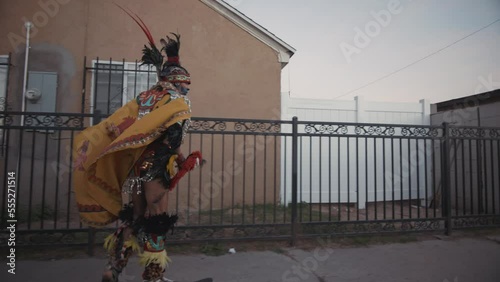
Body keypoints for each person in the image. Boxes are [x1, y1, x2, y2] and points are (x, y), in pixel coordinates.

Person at [73, 8, 201, 282]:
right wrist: (179, 157)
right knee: (156, 218)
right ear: (178, 81)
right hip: (155, 169)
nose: (188, 88)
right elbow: (171, 137)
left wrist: (179, 158)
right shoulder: (177, 102)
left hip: (135, 168)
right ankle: (154, 276)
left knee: (133, 217)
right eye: (186, 83)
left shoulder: (145, 98)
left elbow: (123, 125)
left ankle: (113, 268)